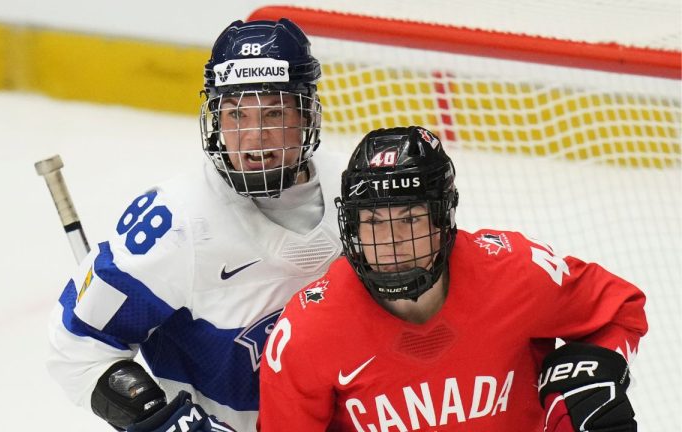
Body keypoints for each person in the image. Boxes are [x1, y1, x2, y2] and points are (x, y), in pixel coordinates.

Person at [46, 18, 345, 432]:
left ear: (306, 115)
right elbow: (78, 346)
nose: (253, 137)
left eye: (274, 112)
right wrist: (162, 421)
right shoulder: (176, 223)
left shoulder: (357, 195)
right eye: (236, 113)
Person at [258, 126, 648, 431]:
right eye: (373, 222)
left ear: (444, 219)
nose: (391, 243)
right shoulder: (308, 332)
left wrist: (589, 375)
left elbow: (620, 310)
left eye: (410, 219)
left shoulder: (516, 272)